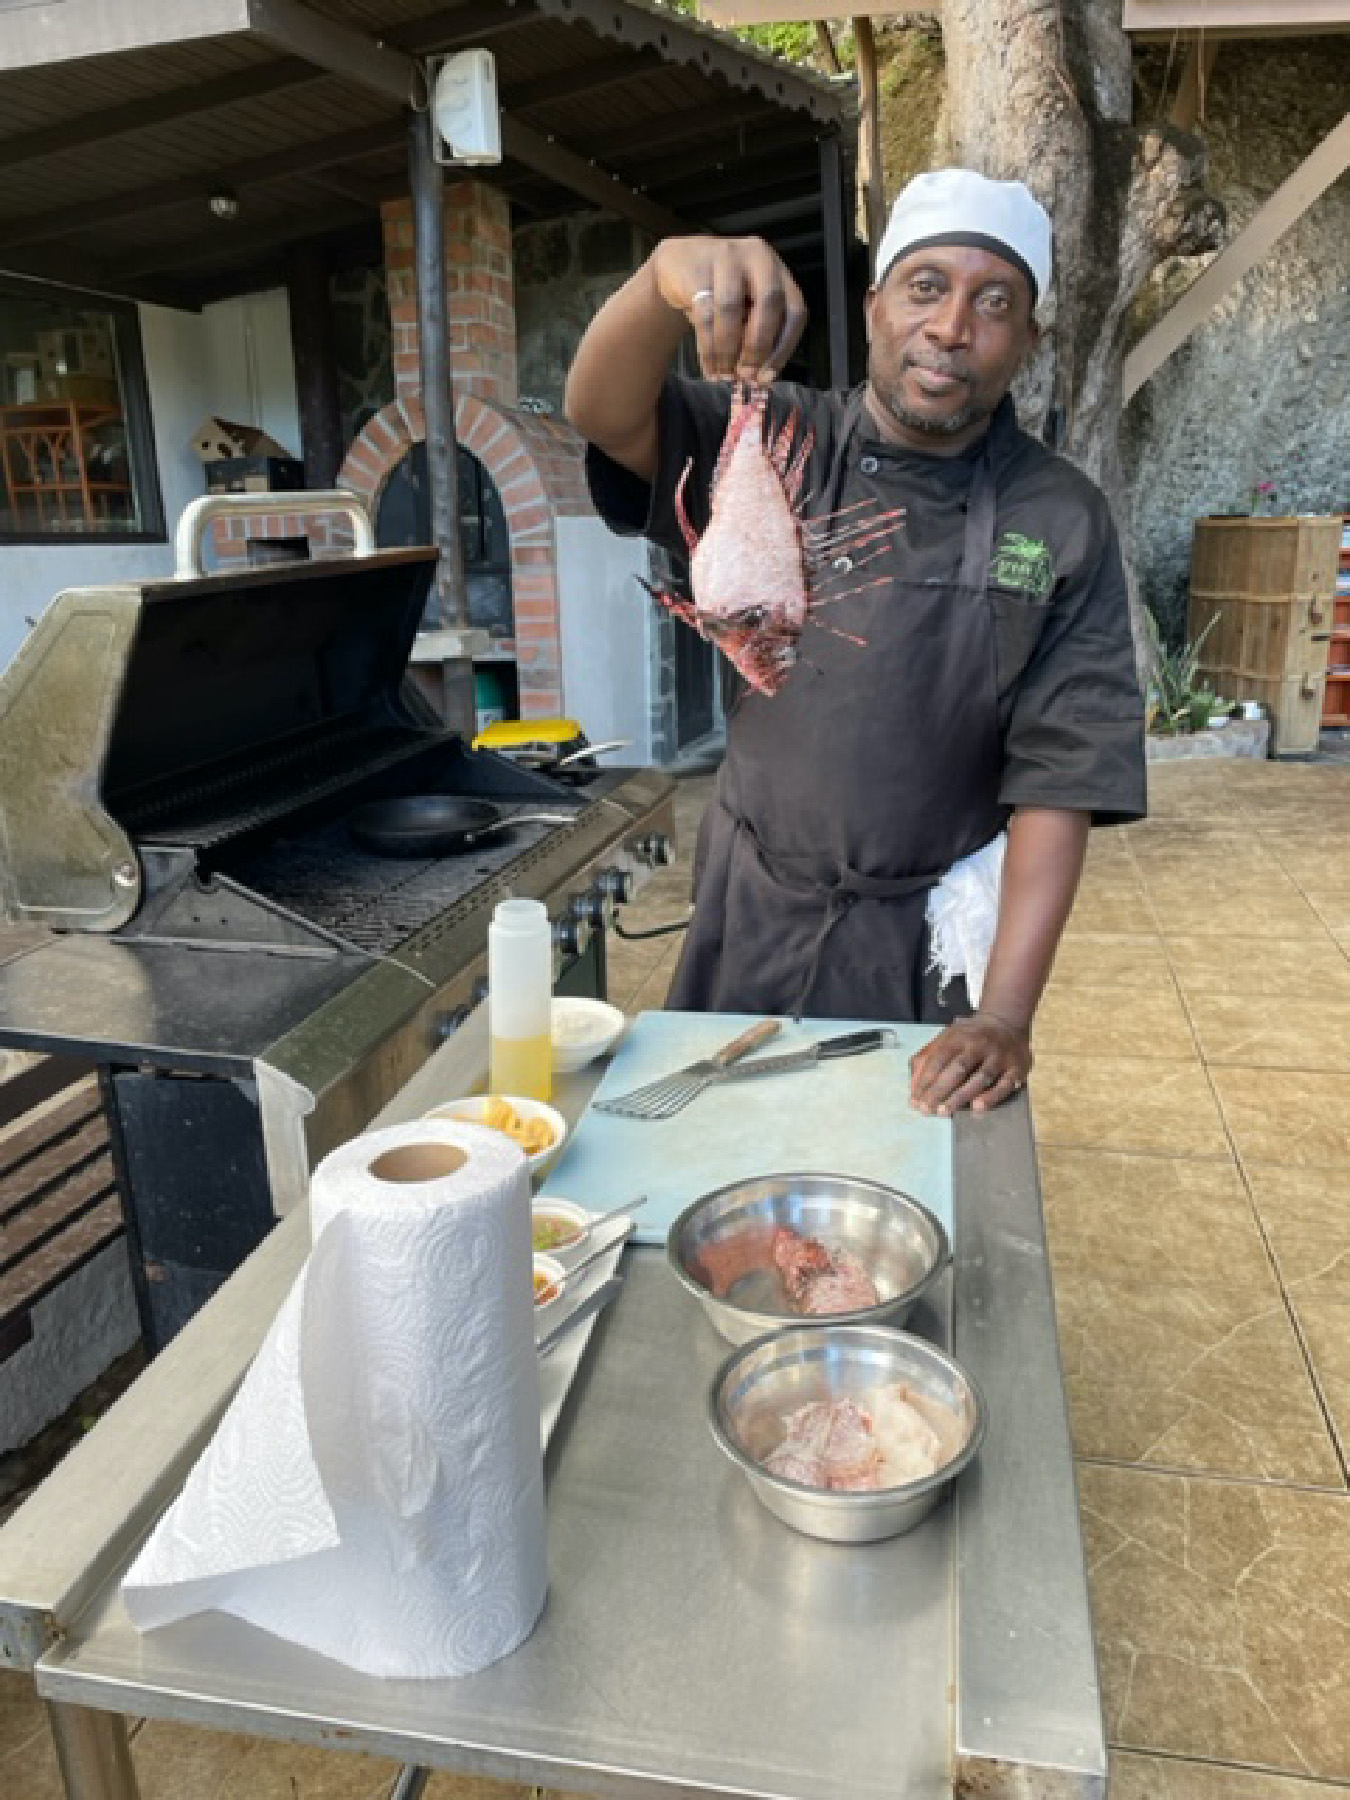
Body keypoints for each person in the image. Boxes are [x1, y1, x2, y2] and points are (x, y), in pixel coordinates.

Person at [564, 168, 1146, 1117]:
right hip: (746, 908)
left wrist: (1004, 1014)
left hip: (923, 940)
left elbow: (1062, 779)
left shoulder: (1061, 515)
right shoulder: (770, 436)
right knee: (718, 1157)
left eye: (994, 302)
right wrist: (662, 276)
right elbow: (603, 411)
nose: (952, 326)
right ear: (875, 305)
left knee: (891, 1188)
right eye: (926, 287)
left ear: (1030, 340)